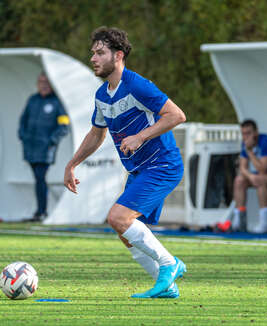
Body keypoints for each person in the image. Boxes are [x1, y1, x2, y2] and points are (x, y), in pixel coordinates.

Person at [64, 26, 186, 298]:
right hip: (140, 169)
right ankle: (166, 285)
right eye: (92, 53)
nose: (93, 58)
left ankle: (170, 264)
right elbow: (97, 133)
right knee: (123, 228)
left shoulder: (137, 85)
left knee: (118, 217)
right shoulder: (102, 95)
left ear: (118, 55)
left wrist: (140, 137)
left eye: (100, 53)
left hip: (162, 165)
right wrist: (72, 164)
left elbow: (176, 115)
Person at [18, 72, 69, 222]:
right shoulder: (33, 100)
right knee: (37, 178)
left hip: (45, 149)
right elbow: (23, 120)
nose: (43, 85)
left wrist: (51, 141)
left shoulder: (57, 102)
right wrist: (23, 136)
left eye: (46, 82)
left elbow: (63, 127)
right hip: (30, 147)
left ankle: (42, 212)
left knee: (40, 177)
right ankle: (40, 211)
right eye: (41, 82)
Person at [232, 119, 267, 233]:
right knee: (239, 181)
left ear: (256, 132)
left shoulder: (265, 141)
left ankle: (264, 224)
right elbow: (243, 167)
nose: (245, 137)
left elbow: (263, 169)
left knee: (259, 179)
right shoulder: (245, 143)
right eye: (243, 134)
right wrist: (250, 176)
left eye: (248, 133)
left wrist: (250, 152)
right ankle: (239, 221)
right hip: (263, 175)